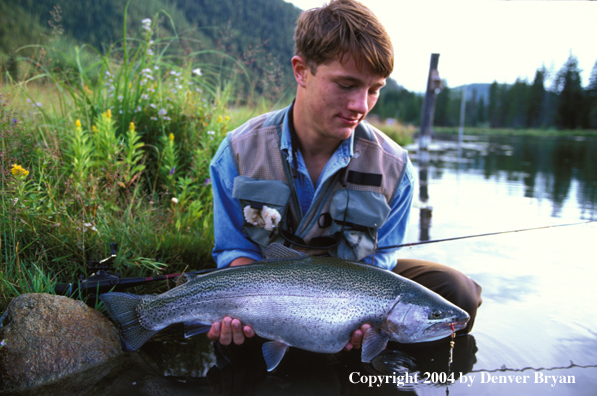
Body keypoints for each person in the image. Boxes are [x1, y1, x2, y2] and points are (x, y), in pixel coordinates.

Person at [207, 0, 481, 350]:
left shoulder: (394, 168)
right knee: (236, 332)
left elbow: (378, 268)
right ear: (302, 70)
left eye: (374, 89)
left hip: (352, 295)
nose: (361, 106)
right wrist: (244, 309)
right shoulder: (239, 152)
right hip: (266, 287)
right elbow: (235, 250)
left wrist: (366, 325)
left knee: (458, 293)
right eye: (347, 84)